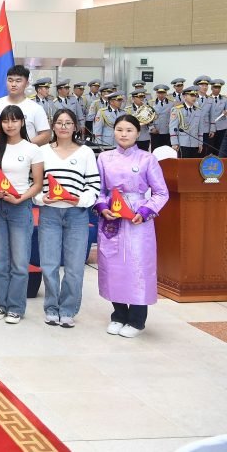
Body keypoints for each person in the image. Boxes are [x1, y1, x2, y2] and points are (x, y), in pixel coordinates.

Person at [96, 115, 170, 338]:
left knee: (138, 266)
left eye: (129, 130)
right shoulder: (104, 158)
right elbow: (99, 189)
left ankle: (137, 320)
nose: (124, 134)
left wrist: (145, 211)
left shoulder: (147, 159)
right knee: (113, 266)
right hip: (112, 218)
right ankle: (118, 315)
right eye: (119, 129)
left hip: (138, 218)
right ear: (113, 132)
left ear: (138, 133)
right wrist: (102, 207)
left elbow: (161, 192)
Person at [35, 109, 100, 328]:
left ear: (75, 127)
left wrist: (79, 200)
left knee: (74, 267)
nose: (63, 127)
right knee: (49, 264)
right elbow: (34, 183)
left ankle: (68, 310)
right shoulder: (42, 151)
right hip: (50, 214)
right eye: (59, 122)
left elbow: (94, 185)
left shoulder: (85, 152)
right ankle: (51, 308)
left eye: (68, 123)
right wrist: (41, 198)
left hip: (77, 215)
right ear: (53, 126)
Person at [0, 105, 44, 324]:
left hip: (20, 207)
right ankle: (1, 304)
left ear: (22, 122)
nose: (9, 125)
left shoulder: (32, 149)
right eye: (5, 121)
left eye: (14, 120)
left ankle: (16, 307)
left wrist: (21, 198)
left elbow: (37, 184)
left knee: (19, 262)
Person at [0, 65, 52, 145]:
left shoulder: (36, 108)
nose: (13, 84)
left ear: (27, 83)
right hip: (0, 150)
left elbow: (46, 135)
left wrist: (23, 146)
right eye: (10, 80)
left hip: (26, 151)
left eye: (18, 81)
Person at [170, 86, 203, 158]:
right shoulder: (177, 110)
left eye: (195, 95)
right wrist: (174, 143)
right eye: (191, 95)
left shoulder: (198, 110)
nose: (194, 98)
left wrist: (200, 142)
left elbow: (200, 128)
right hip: (182, 143)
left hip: (195, 143)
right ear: (184, 96)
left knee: (193, 164)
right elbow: (173, 127)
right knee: (183, 163)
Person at [205, 79, 226, 157]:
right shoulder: (207, 99)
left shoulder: (225, 99)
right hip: (210, 127)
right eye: (215, 87)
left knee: (220, 148)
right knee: (210, 148)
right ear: (211, 88)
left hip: (222, 127)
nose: (217, 89)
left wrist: (225, 113)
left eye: (219, 87)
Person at [149, 84, 173, 151]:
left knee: (167, 152)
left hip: (167, 132)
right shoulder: (151, 103)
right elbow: (148, 118)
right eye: (159, 93)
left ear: (166, 93)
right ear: (156, 93)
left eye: (163, 93)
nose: (161, 95)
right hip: (156, 131)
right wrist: (151, 128)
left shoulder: (171, 103)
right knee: (155, 151)